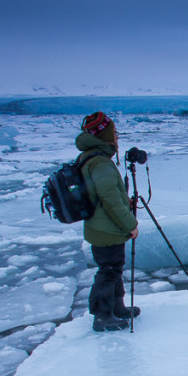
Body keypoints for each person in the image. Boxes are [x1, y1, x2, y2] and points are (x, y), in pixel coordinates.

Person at [76, 112, 140, 332]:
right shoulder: (100, 162)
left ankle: (117, 306)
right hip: (106, 227)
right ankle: (102, 315)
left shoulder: (91, 157)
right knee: (109, 270)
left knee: (114, 268)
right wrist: (130, 224)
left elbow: (104, 194)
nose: (116, 137)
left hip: (101, 225)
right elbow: (110, 199)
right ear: (104, 134)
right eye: (113, 132)